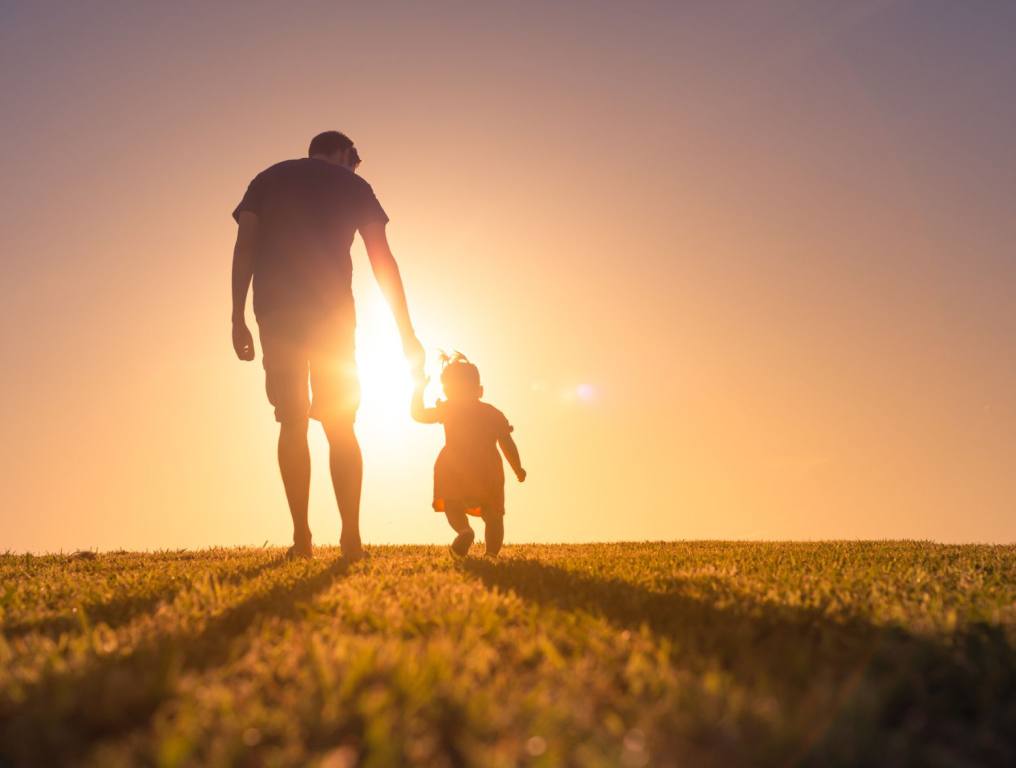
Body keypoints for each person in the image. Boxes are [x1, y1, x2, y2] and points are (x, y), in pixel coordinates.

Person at [231, 131, 424, 560]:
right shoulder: (353, 185)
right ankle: (351, 538)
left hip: (277, 314)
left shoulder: (267, 179)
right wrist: (405, 332)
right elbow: (382, 261)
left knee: (291, 422)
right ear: (344, 155)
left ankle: (301, 539)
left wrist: (236, 314)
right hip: (332, 316)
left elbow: (244, 245)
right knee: (341, 426)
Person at [411, 353, 526, 557]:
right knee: (494, 515)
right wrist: (517, 468)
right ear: (480, 390)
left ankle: (464, 531)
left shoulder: (448, 409)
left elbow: (418, 414)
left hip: (454, 467)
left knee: (453, 504)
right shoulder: (492, 413)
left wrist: (418, 388)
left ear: (447, 392)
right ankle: (491, 554)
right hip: (488, 471)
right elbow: (507, 442)